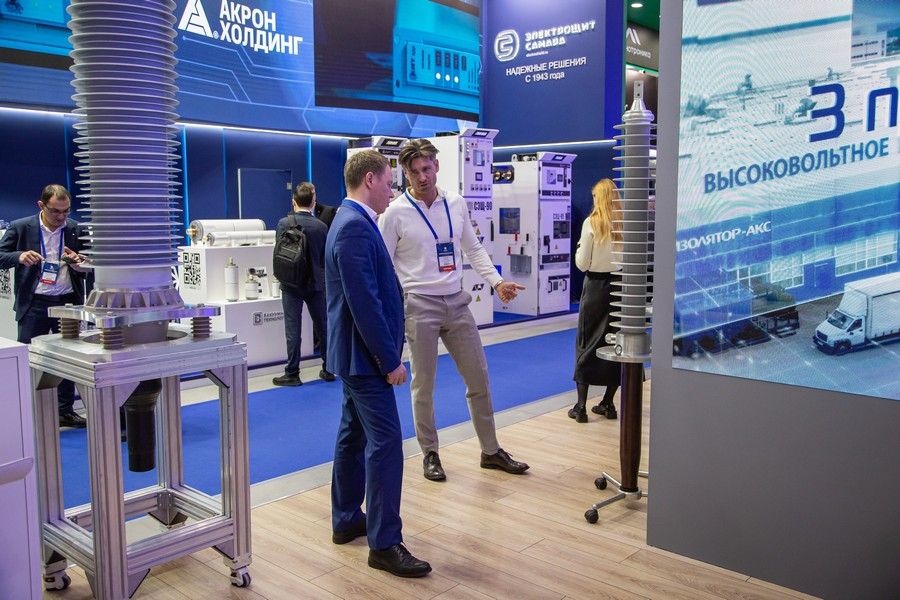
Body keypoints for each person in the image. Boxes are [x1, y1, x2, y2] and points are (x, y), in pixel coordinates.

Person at [379, 138, 529, 482]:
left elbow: (473, 249)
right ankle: (430, 453)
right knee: (424, 385)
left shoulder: (456, 203)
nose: (422, 177)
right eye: (414, 171)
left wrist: (496, 282)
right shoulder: (395, 213)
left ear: (436, 165)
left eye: (426, 168)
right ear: (405, 173)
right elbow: (384, 264)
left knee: (479, 378)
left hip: (457, 302)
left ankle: (490, 451)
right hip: (419, 304)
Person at [326, 150, 431, 578]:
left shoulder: (352, 220)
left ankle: (346, 517)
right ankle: (384, 544)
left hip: (354, 355)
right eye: (390, 182)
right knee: (386, 443)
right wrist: (390, 361)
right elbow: (364, 303)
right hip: (365, 358)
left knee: (352, 436)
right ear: (369, 179)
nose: (394, 190)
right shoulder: (353, 226)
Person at [0, 184, 88, 428]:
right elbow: (0, 256)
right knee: (30, 358)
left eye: (66, 211)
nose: (61, 217)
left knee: (69, 358)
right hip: (34, 304)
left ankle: (65, 410)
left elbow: (90, 263)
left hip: (68, 302)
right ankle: (28, 412)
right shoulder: (20, 227)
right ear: (41, 205)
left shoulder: (75, 229)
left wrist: (79, 262)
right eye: (55, 211)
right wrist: (18, 256)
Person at [569, 178, 622, 422]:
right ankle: (608, 403)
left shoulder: (591, 222)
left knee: (586, 341)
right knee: (616, 343)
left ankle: (580, 407)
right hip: (620, 288)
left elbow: (582, 263)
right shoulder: (626, 224)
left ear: (598, 198)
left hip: (595, 288)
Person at [273, 182, 334, 385]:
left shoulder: (284, 223)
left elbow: (279, 252)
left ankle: (292, 373)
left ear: (294, 202)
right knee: (323, 327)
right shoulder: (321, 227)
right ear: (313, 202)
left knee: (293, 330)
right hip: (316, 283)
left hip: (291, 284)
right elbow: (325, 257)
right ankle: (328, 368)